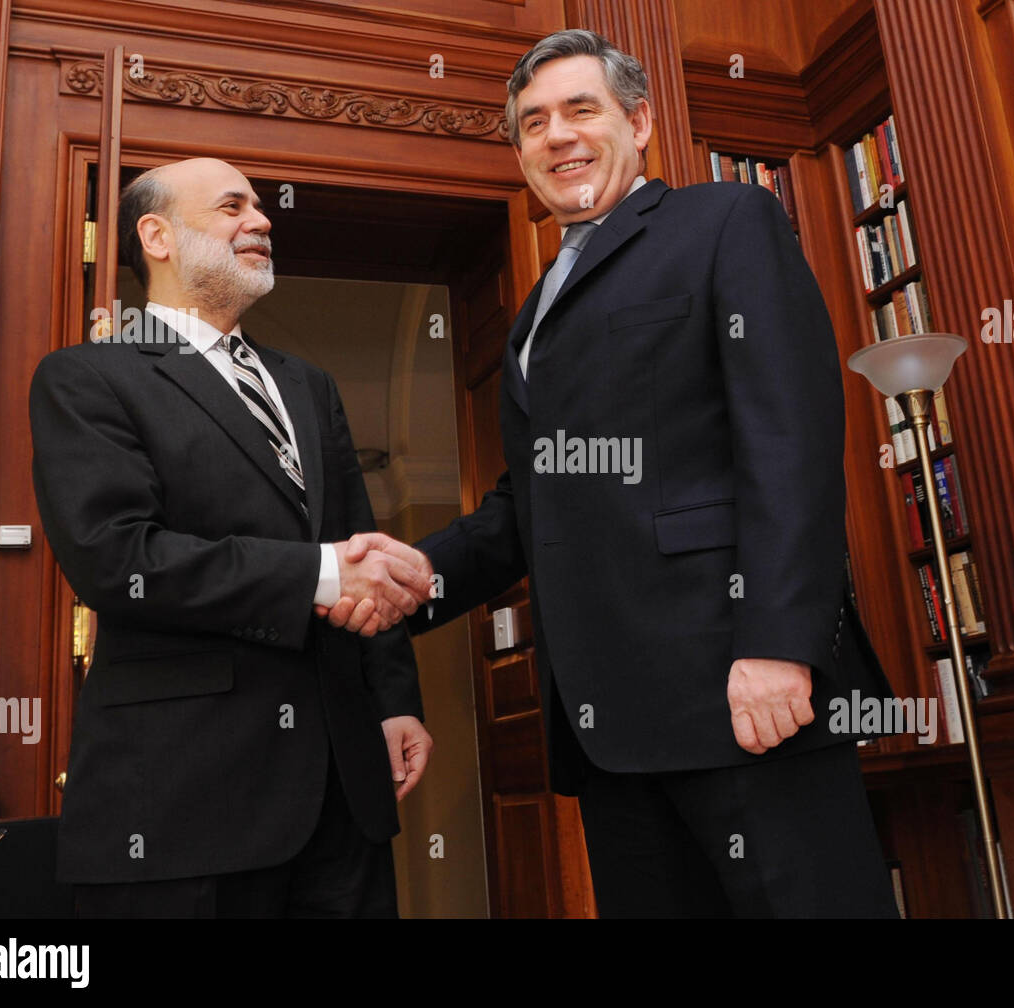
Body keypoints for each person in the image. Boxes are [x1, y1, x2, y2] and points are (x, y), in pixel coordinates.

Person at [324, 29, 898, 918]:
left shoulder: (724, 223)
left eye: (579, 110)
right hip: (604, 728)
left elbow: (791, 445)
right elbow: (528, 506)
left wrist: (779, 646)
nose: (556, 136)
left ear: (640, 122)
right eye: (533, 124)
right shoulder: (529, 320)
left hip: (745, 699)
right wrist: (418, 576)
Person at [30, 157, 435, 918]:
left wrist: (394, 702)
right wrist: (316, 577)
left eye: (260, 206)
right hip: (182, 809)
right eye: (232, 207)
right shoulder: (87, 378)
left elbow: (356, 548)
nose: (262, 220)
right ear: (157, 235)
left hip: (343, 805)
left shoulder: (310, 385)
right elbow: (117, 560)